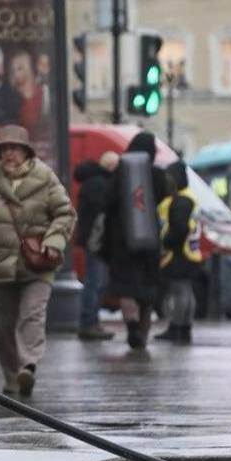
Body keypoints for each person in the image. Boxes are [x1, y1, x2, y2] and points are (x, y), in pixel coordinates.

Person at [0, 125, 76, 396]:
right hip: (0, 265)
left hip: (37, 263)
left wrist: (53, 242)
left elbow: (65, 214)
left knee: (32, 315)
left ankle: (28, 366)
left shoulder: (45, 177)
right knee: (4, 325)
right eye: (4, 149)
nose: (9, 154)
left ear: (26, 151)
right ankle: (12, 378)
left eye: (15, 148)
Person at [101, 131, 168, 350]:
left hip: (121, 241)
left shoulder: (121, 170)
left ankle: (131, 327)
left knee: (125, 287)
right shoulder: (157, 174)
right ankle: (144, 332)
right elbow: (164, 194)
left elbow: (108, 200)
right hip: (149, 238)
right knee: (147, 290)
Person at [154, 160, 203, 344]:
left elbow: (178, 228)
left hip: (179, 253)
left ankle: (177, 328)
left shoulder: (180, 201)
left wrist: (166, 242)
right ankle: (185, 327)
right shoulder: (190, 198)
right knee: (187, 291)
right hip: (191, 252)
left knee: (179, 290)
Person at [74, 150, 119, 340]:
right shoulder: (100, 184)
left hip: (93, 240)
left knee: (96, 281)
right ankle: (89, 322)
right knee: (95, 282)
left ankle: (91, 322)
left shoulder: (91, 182)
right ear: (111, 167)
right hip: (98, 241)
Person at [8, 50, 43, 133]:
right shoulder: (12, 97)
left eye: (20, 68)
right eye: (13, 70)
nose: (15, 73)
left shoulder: (42, 93)